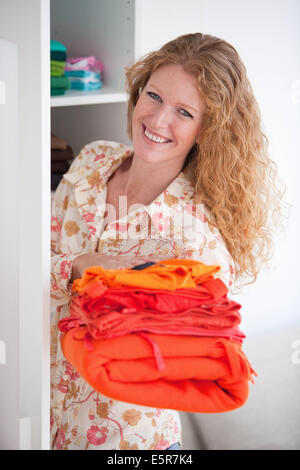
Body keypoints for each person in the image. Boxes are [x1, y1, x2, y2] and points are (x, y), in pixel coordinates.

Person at [50, 33, 286, 450]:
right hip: (37, 409)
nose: (158, 121)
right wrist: (76, 266)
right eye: (155, 96)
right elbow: (23, 260)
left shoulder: (196, 242)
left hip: (128, 442)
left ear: (207, 129)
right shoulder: (91, 161)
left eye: (183, 111)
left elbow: (179, 358)